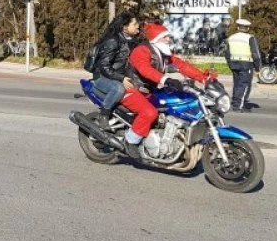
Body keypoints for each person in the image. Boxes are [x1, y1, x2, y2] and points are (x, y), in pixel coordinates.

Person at [124, 23, 212, 159]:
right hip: (132, 89)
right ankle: (130, 142)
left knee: (176, 102)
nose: (168, 39)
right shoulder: (141, 50)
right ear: (156, 38)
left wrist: (203, 78)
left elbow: (182, 65)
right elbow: (144, 69)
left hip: (149, 91)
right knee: (149, 113)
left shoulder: (163, 54)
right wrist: (166, 80)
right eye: (165, 37)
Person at [91, 12, 140, 126]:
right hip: (102, 77)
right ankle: (104, 114)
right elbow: (104, 66)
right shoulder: (113, 41)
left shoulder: (131, 42)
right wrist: (121, 78)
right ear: (125, 27)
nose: (138, 26)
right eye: (135, 24)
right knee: (119, 89)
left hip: (118, 76)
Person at [225, 18, 261, 112]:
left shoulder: (231, 38)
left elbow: (227, 53)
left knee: (237, 84)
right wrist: (258, 68)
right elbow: (256, 54)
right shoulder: (250, 38)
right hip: (246, 64)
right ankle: (239, 105)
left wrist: (230, 64)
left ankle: (235, 102)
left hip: (234, 63)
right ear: (247, 28)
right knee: (244, 85)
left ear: (237, 27)